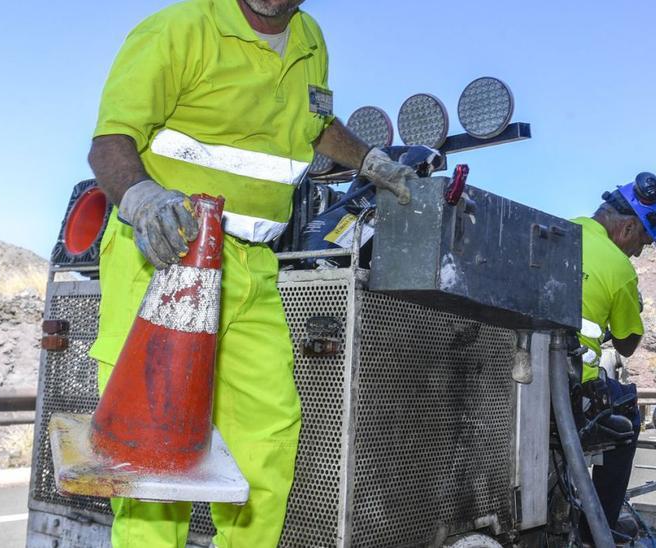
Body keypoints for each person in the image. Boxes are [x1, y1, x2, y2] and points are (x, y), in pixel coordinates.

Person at [85, 0, 419, 545]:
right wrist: (143, 198)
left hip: (252, 265)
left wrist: (372, 163)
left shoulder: (310, 40)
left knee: (268, 437)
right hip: (168, 255)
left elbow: (316, 126)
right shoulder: (181, 28)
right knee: (152, 449)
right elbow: (110, 143)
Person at [573, 171, 656, 543]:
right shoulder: (620, 270)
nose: (638, 252)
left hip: (510, 372)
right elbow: (627, 344)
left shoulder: (559, 229)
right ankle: (598, 526)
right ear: (630, 227)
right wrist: (636, 304)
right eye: (644, 243)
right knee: (627, 414)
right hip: (571, 390)